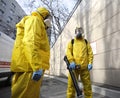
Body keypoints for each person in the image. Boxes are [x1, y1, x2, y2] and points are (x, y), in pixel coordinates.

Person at [10, 7, 51, 98]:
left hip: (28, 66)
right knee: (26, 95)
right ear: (44, 16)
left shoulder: (34, 21)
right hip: (30, 68)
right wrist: (36, 66)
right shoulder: (35, 20)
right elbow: (31, 43)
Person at [66, 27, 93, 98]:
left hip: (85, 68)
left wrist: (90, 62)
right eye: (77, 31)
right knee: (71, 86)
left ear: (82, 32)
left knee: (87, 87)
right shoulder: (72, 42)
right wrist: (71, 61)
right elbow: (68, 52)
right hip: (74, 68)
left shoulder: (86, 42)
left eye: (80, 31)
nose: (78, 32)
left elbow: (90, 53)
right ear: (75, 32)